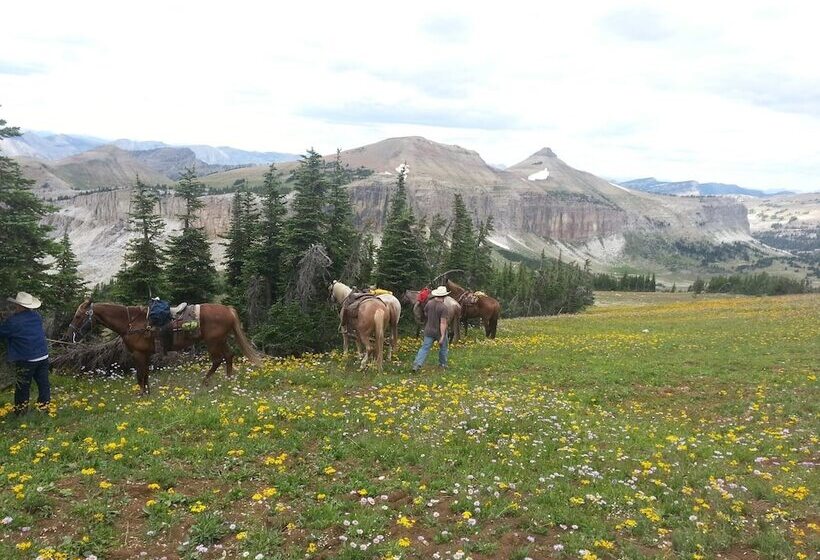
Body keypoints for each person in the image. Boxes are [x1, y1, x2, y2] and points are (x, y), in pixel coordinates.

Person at [0, 292, 50, 415]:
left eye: (16, 306)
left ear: (19, 306)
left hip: (26, 358)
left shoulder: (13, 321)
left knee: (23, 386)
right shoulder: (36, 316)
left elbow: (2, 333)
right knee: (43, 384)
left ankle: (21, 412)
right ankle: (44, 408)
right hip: (43, 355)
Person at [411, 286, 450, 373]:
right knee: (443, 348)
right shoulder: (444, 308)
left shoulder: (429, 303)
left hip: (428, 330)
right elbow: (443, 323)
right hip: (439, 332)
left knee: (424, 348)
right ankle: (442, 364)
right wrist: (442, 336)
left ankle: (417, 364)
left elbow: (425, 313)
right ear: (444, 296)